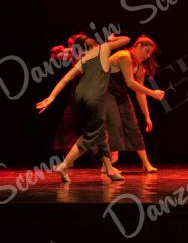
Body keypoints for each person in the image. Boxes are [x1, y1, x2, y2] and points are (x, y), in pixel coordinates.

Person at [36, 32, 131, 181]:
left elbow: (65, 79)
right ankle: (64, 165)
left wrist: (51, 97)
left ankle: (109, 170)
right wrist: (112, 39)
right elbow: (127, 39)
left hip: (80, 97)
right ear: (95, 45)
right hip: (95, 97)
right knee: (91, 135)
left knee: (101, 132)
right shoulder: (103, 48)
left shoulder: (84, 59)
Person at [104, 35, 166, 173]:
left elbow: (140, 92)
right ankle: (106, 165)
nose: (148, 56)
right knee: (115, 126)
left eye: (150, 54)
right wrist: (153, 93)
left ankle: (146, 163)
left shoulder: (139, 66)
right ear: (138, 46)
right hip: (106, 93)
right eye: (146, 51)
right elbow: (130, 83)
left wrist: (147, 115)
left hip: (120, 95)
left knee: (133, 126)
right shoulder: (124, 56)